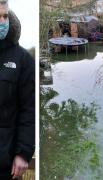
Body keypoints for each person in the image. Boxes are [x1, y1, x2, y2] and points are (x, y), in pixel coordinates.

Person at [0, 0, 35, 179]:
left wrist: (23, 152)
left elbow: (29, 110)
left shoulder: (23, 60)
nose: (2, 22)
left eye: (4, 16)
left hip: (5, 158)